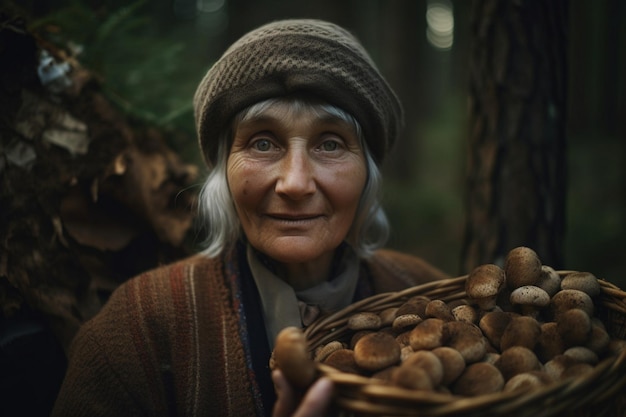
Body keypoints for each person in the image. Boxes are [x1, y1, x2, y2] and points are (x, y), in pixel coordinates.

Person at [51, 18, 449, 417]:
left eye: (330, 144)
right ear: (225, 170)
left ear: (367, 173)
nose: (294, 183)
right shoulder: (138, 331)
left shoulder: (430, 297)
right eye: (262, 142)